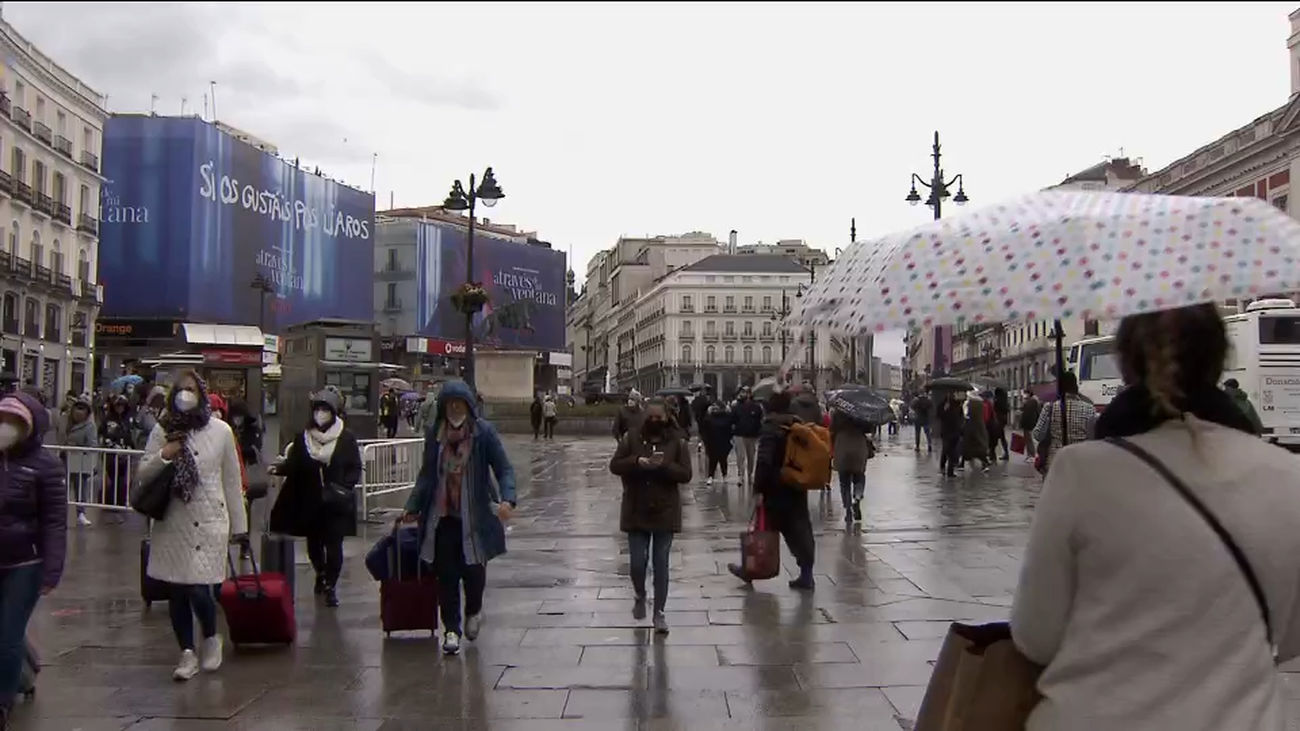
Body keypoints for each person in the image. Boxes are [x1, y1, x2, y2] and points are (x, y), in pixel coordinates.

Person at [1010, 303, 1300, 730]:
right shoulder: (1288, 475)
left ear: (1126, 365)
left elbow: (1036, 636)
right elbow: (1292, 636)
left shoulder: (1079, 470)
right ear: (1219, 361)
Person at [135, 371, 246, 682]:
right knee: (177, 590)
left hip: (210, 520)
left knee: (199, 588)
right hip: (173, 521)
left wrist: (240, 527)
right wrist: (165, 455)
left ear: (201, 393)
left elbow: (232, 480)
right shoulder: (163, 429)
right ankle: (186, 652)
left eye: (191, 389)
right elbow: (143, 473)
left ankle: (211, 636)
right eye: (181, 390)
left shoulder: (221, 431)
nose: (185, 395)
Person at [402, 381, 516, 657]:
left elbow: (504, 468)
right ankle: (451, 629)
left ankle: (474, 610)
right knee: (447, 577)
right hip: (442, 520)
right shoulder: (436, 435)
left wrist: (507, 498)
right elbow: (427, 475)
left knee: (474, 574)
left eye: (459, 403)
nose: (455, 408)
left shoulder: (483, 434)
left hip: (474, 518)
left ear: (468, 405)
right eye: (450, 403)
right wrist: (413, 505)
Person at [0, 392, 65, 727]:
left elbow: (54, 521)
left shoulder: (45, 466)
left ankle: (2, 702)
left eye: (13, 422)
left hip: (26, 562)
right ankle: (24, 674)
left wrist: (52, 568)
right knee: (5, 633)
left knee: (8, 633)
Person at [268, 387, 362, 608]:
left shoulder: (345, 438)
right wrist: (278, 469)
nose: (321, 414)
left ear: (334, 413)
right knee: (314, 545)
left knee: (334, 545)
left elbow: (354, 467)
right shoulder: (303, 439)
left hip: (336, 503)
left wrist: (344, 486)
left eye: (325, 409)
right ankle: (320, 571)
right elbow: (294, 465)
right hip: (310, 501)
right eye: (318, 409)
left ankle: (331, 585)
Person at [609, 398, 691, 634]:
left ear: (667, 417)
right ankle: (640, 593)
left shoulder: (677, 440)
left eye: (659, 417)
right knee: (636, 563)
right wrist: (638, 462)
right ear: (645, 417)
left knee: (661, 564)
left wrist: (664, 465)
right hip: (636, 507)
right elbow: (615, 465)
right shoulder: (631, 437)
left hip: (665, 510)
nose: (655, 421)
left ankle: (660, 613)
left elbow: (686, 474)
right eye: (651, 417)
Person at [728, 389, 816, 590]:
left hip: (775, 487)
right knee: (800, 530)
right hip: (796, 484)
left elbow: (765, 461)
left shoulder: (771, 426)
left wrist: (758, 488)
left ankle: (749, 569)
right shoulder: (797, 424)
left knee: (763, 528)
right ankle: (807, 573)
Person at [1032, 372, 1097, 474]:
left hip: (1055, 463)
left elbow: (1037, 435)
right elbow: (1094, 439)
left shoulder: (1050, 407)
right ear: (1075, 386)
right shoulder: (1089, 408)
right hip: (1081, 464)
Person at [830, 407, 872, 523]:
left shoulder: (838, 412)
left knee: (844, 483)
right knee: (860, 476)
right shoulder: (862, 410)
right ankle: (857, 497)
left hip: (842, 445)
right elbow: (869, 429)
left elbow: (831, 429)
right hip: (859, 445)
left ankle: (848, 510)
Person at [64, 398, 97, 527]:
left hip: (79, 459)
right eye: (77, 408)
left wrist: (80, 449)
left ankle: (81, 513)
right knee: (62, 487)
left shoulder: (89, 426)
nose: (79, 412)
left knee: (80, 487)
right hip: (63, 457)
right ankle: (62, 513)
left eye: (82, 409)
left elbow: (93, 445)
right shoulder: (66, 422)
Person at [731, 386, 764, 488]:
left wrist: (759, 432)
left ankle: (750, 474)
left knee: (751, 456)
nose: (744, 394)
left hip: (752, 435)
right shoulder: (737, 406)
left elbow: (760, 420)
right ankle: (740, 475)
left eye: (746, 392)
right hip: (740, 434)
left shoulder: (757, 407)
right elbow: (733, 419)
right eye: (742, 392)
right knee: (740, 456)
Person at [700, 403, 733, 486]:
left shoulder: (709, 418)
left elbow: (704, 430)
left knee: (713, 461)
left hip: (712, 442)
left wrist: (705, 441)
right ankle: (724, 475)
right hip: (723, 442)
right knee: (723, 460)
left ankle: (711, 476)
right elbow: (730, 430)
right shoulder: (727, 418)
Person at [936, 392, 964, 478]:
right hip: (946, 431)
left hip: (955, 431)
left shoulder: (958, 405)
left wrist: (960, 427)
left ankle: (950, 471)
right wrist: (944, 409)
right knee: (946, 449)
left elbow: (960, 417)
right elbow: (939, 415)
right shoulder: (943, 405)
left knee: (952, 451)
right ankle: (942, 467)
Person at [964, 393, 991, 474]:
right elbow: (986, 416)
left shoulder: (969, 404)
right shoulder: (982, 404)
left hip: (971, 427)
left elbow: (965, 415)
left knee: (968, 446)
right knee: (980, 446)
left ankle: (962, 464)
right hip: (980, 426)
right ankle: (985, 463)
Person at [1019, 389, 1042, 461]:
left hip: (1029, 423)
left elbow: (1028, 412)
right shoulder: (1031, 401)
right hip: (1028, 423)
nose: (1024, 395)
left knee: (1029, 440)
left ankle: (1032, 455)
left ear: (1029, 394)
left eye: (1025, 393)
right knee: (1028, 440)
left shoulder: (1032, 401)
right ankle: (1030, 454)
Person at [991, 387, 1011, 461]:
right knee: (1002, 437)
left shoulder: (997, 401)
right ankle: (1006, 453)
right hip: (1003, 421)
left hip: (997, 421)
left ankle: (992, 455)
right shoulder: (1005, 402)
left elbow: (994, 410)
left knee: (994, 438)